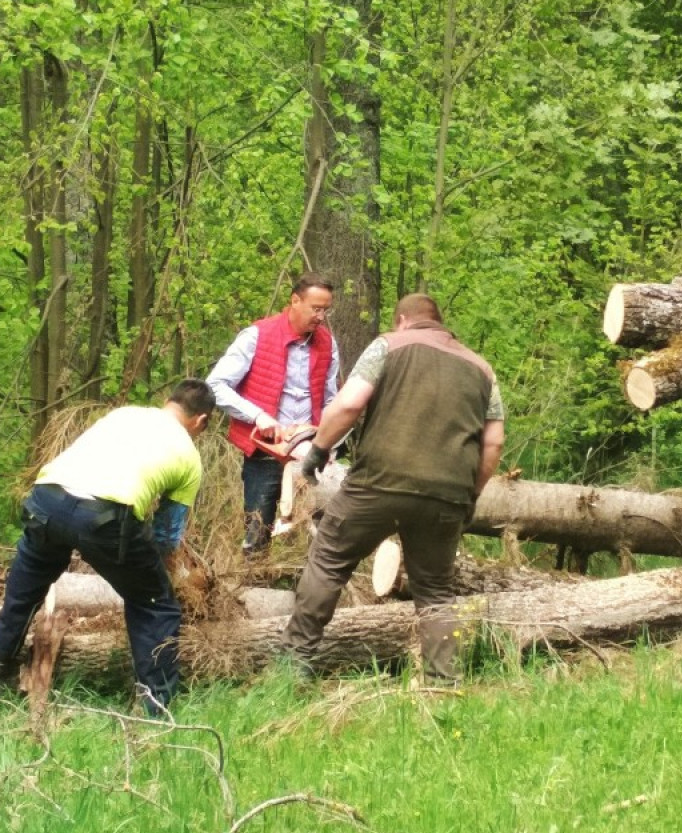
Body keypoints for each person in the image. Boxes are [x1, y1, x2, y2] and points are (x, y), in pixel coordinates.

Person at [282, 293, 506, 683]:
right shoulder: (481, 368)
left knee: (329, 561)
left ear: (402, 320)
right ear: (441, 323)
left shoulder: (389, 344)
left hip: (377, 483)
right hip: (446, 494)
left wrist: (317, 452)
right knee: (435, 591)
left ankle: (293, 666)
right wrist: (470, 495)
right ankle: (442, 683)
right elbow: (493, 443)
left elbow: (349, 405)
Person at [0, 379, 215, 712]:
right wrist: (164, 573)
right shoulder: (189, 456)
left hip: (47, 499)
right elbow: (167, 533)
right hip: (105, 516)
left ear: (168, 402)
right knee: (155, 606)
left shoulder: (124, 415)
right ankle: (156, 706)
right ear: (201, 421)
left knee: (25, 588)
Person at [206, 273, 341, 557]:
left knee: (318, 534)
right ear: (295, 300)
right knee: (257, 531)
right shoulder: (257, 335)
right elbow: (215, 385)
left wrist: (329, 442)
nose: (321, 316)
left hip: (310, 452)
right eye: (316, 308)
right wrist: (257, 416)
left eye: (326, 310)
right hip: (264, 450)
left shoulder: (327, 343)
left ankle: (304, 591)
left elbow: (331, 400)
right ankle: (253, 589)